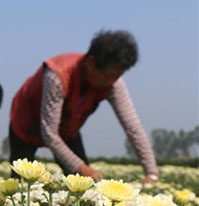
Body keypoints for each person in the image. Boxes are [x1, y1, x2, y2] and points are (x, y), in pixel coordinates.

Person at [9, 30, 158, 183]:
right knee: (19, 185)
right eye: (108, 76)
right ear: (91, 63)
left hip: (67, 130)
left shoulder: (113, 83)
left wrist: (151, 173)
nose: (111, 81)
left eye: (117, 76)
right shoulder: (57, 75)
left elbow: (133, 126)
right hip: (27, 123)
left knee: (84, 188)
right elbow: (50, 134)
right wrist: (82, 168)